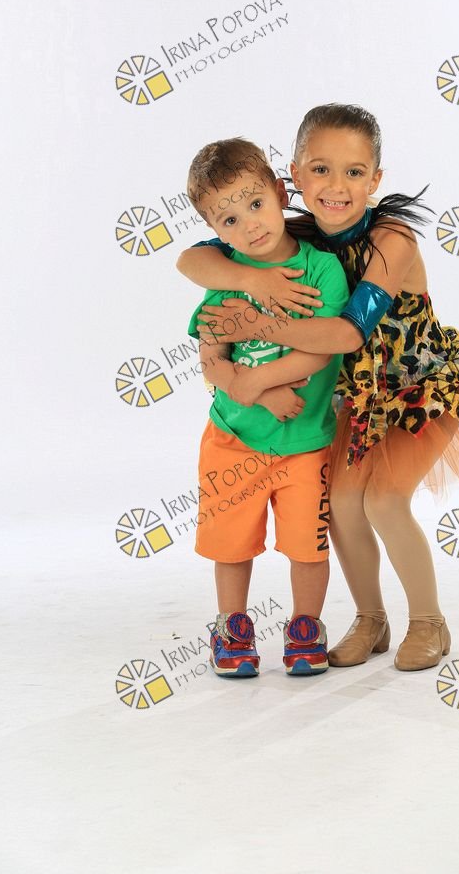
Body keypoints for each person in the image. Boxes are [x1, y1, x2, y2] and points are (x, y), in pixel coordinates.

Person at [179, 106, 459, 673]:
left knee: (384, 500)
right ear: (293, 177)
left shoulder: (392, 240)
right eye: (320, 170)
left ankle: (429, 621)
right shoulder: (290, 231)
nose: (336, 187)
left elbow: (348, 334)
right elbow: (192, 258)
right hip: (361, 397)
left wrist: (259, 324)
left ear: (376, 179)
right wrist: (249, 279)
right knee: (341, 504)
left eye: (354, 172)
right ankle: (371, 619)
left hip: (422, 387)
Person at [184, 137, 350, 677]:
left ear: (280, 193)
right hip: (232, 440)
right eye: (230, 220)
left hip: (306, 442)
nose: (250, 225)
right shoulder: (223, 277)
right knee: (231, 544)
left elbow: (322, 348)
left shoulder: (321, 270)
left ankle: (306, 625)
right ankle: (232, 626)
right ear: (215, 229)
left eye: (256, 204)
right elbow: (213, 361)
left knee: (308, 545)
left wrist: (256, 379)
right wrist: (255, 391)